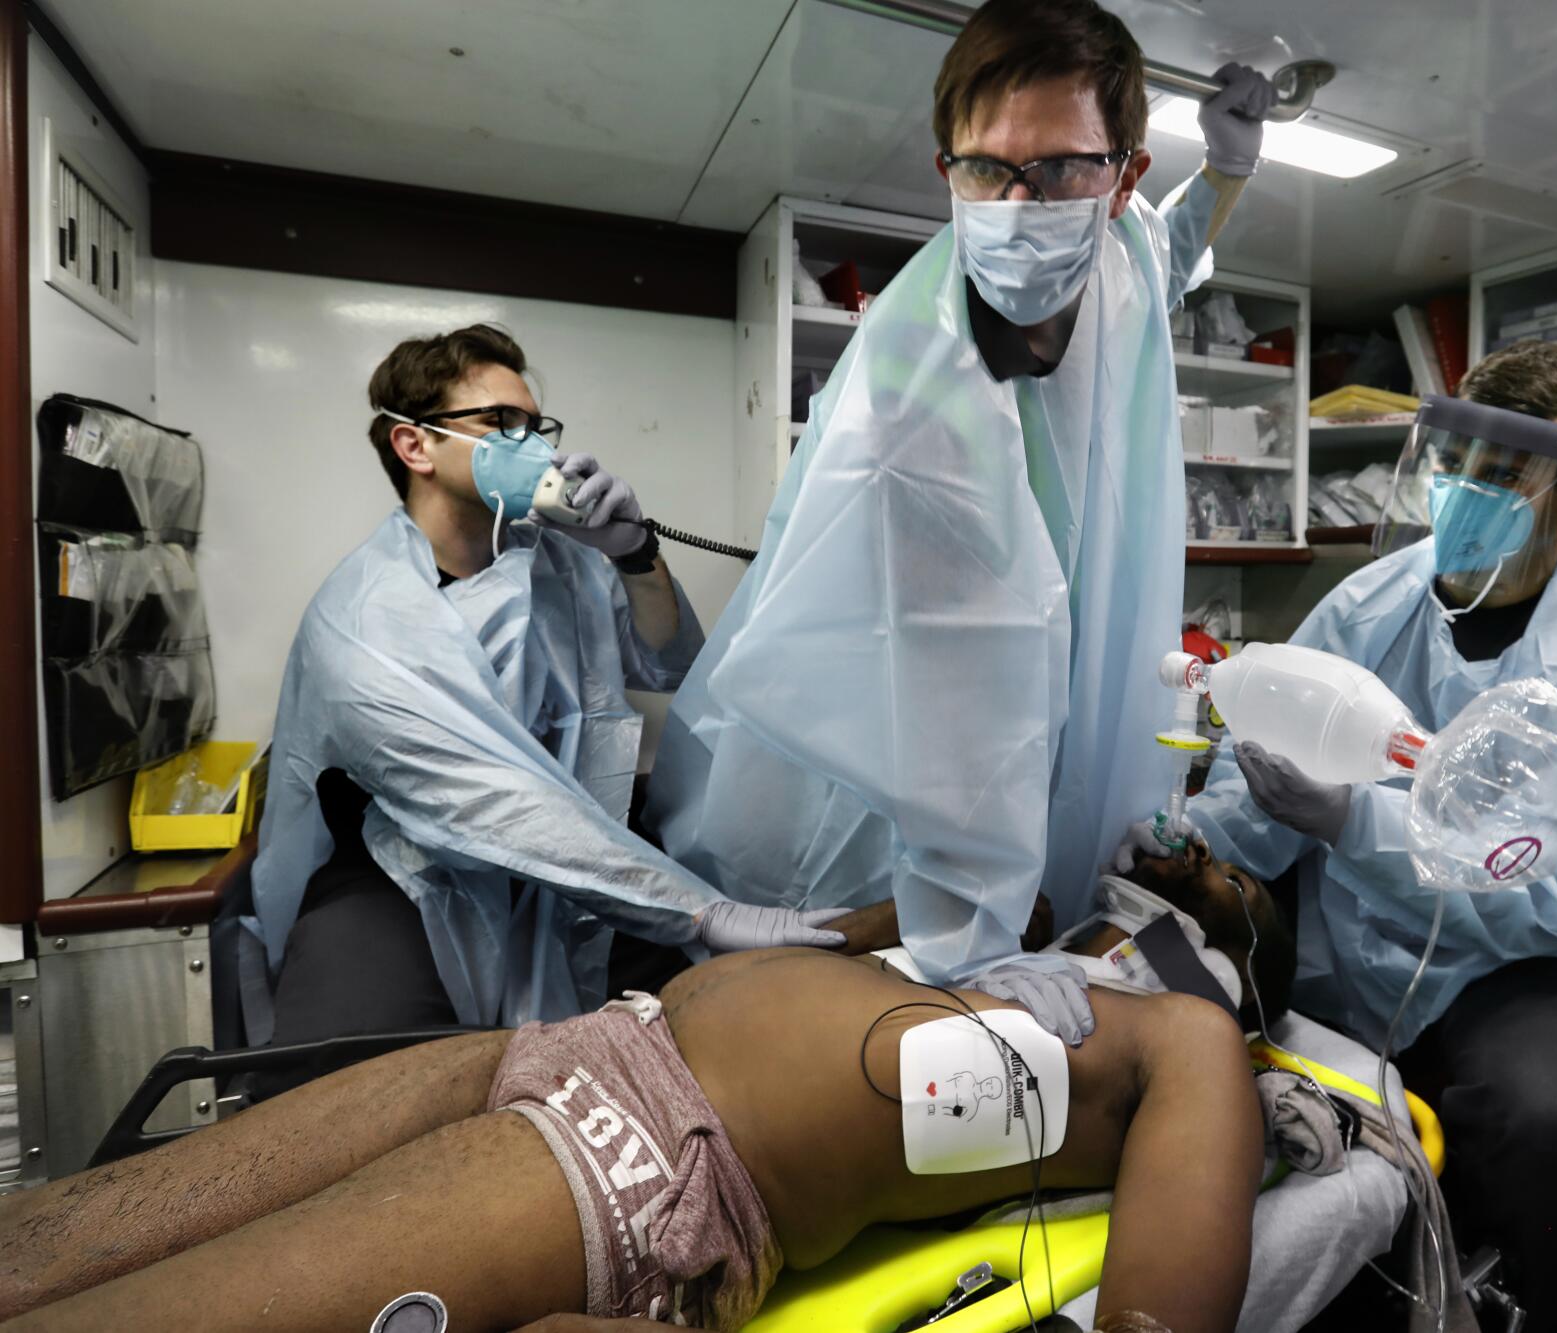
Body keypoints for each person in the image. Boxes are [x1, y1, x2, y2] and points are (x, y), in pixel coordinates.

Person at [646, 0, 1281, 1049]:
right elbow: (946, 700)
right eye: (985, 170)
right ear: (945, 167)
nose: (1019, 206)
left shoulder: (1114, 260)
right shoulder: (906, 385)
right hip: (876, 780)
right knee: (852, 1001)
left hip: (1024, 739)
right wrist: (971, 941)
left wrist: (1225, 178)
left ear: (1121, 177)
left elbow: (1156, 258)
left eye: (1062, 171)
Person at [0, 855, 1289, 1333]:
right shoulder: (1018, 951)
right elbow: (838, 945)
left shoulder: (1181, 1041)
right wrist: (959, 926)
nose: (1165, 849)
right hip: (569, 1045)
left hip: (653, 1162)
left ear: (1222, 946)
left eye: (1201, 864)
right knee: (56, 1233)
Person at [1129, 341, 1557, 1332]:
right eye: (1453, 463)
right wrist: (1188, 862)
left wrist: (1354, 821)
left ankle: (1546, 1303)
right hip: (1367, 934)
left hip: (1541, 956)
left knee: (1538, 1125)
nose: (1464, 493)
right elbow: (1257, 777)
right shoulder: (1368, 603)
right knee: (1187, 1022)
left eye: (1503, 474)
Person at [242, 325, 845, 1050]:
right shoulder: (364, 618)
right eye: (501, 423)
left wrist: (634, 553)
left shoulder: (558, 561)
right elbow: (489, 801)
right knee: (361, 1079)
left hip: (571, 864)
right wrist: (697, 911)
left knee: (718, 1023)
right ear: (415, 446)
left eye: (535, 425)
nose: (533, 445)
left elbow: (670, 661)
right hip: (408, 871)